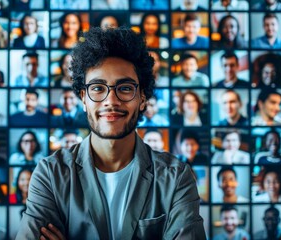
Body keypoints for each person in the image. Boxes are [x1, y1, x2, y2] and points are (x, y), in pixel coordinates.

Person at [16, 27, 205, 239]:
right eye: (97, 88)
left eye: (124, 88)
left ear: (142, 97)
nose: (111, 101)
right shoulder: (51, 174)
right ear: (83, 98)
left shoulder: (176, 178)